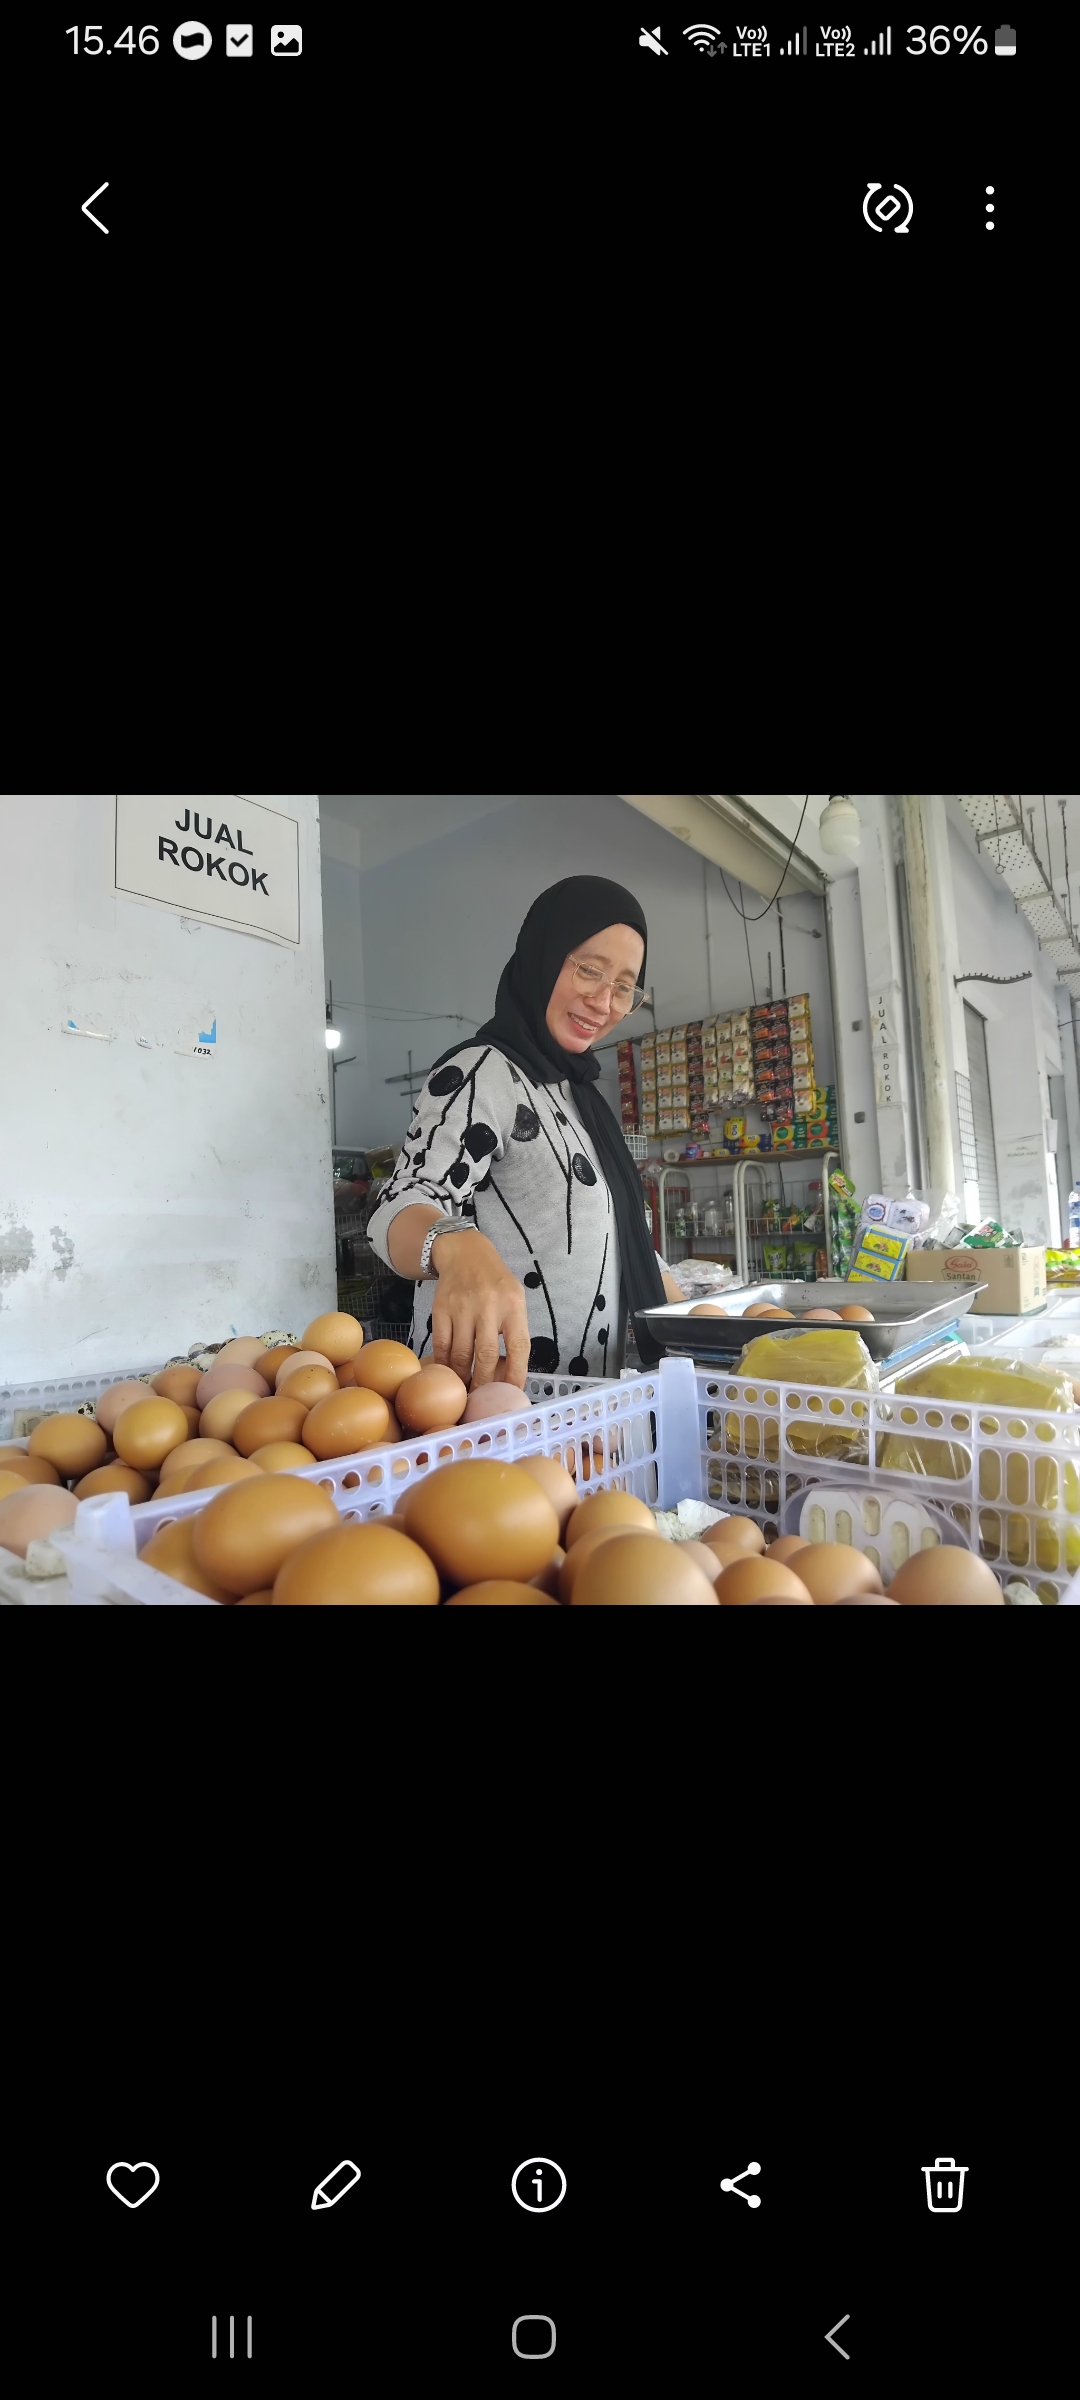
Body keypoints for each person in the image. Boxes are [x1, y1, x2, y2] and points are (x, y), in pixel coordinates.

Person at [365, 876, 685, 1387]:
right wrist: (456, 1245)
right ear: (543, 955)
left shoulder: (579, 1096)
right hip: (488, 1401)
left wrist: (700, 1322)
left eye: (623, 987)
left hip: (584, 1405)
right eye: (589, 970)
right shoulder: (482, 1073)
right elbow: (402, 1203)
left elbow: (615, 1236)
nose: (604, 1002)